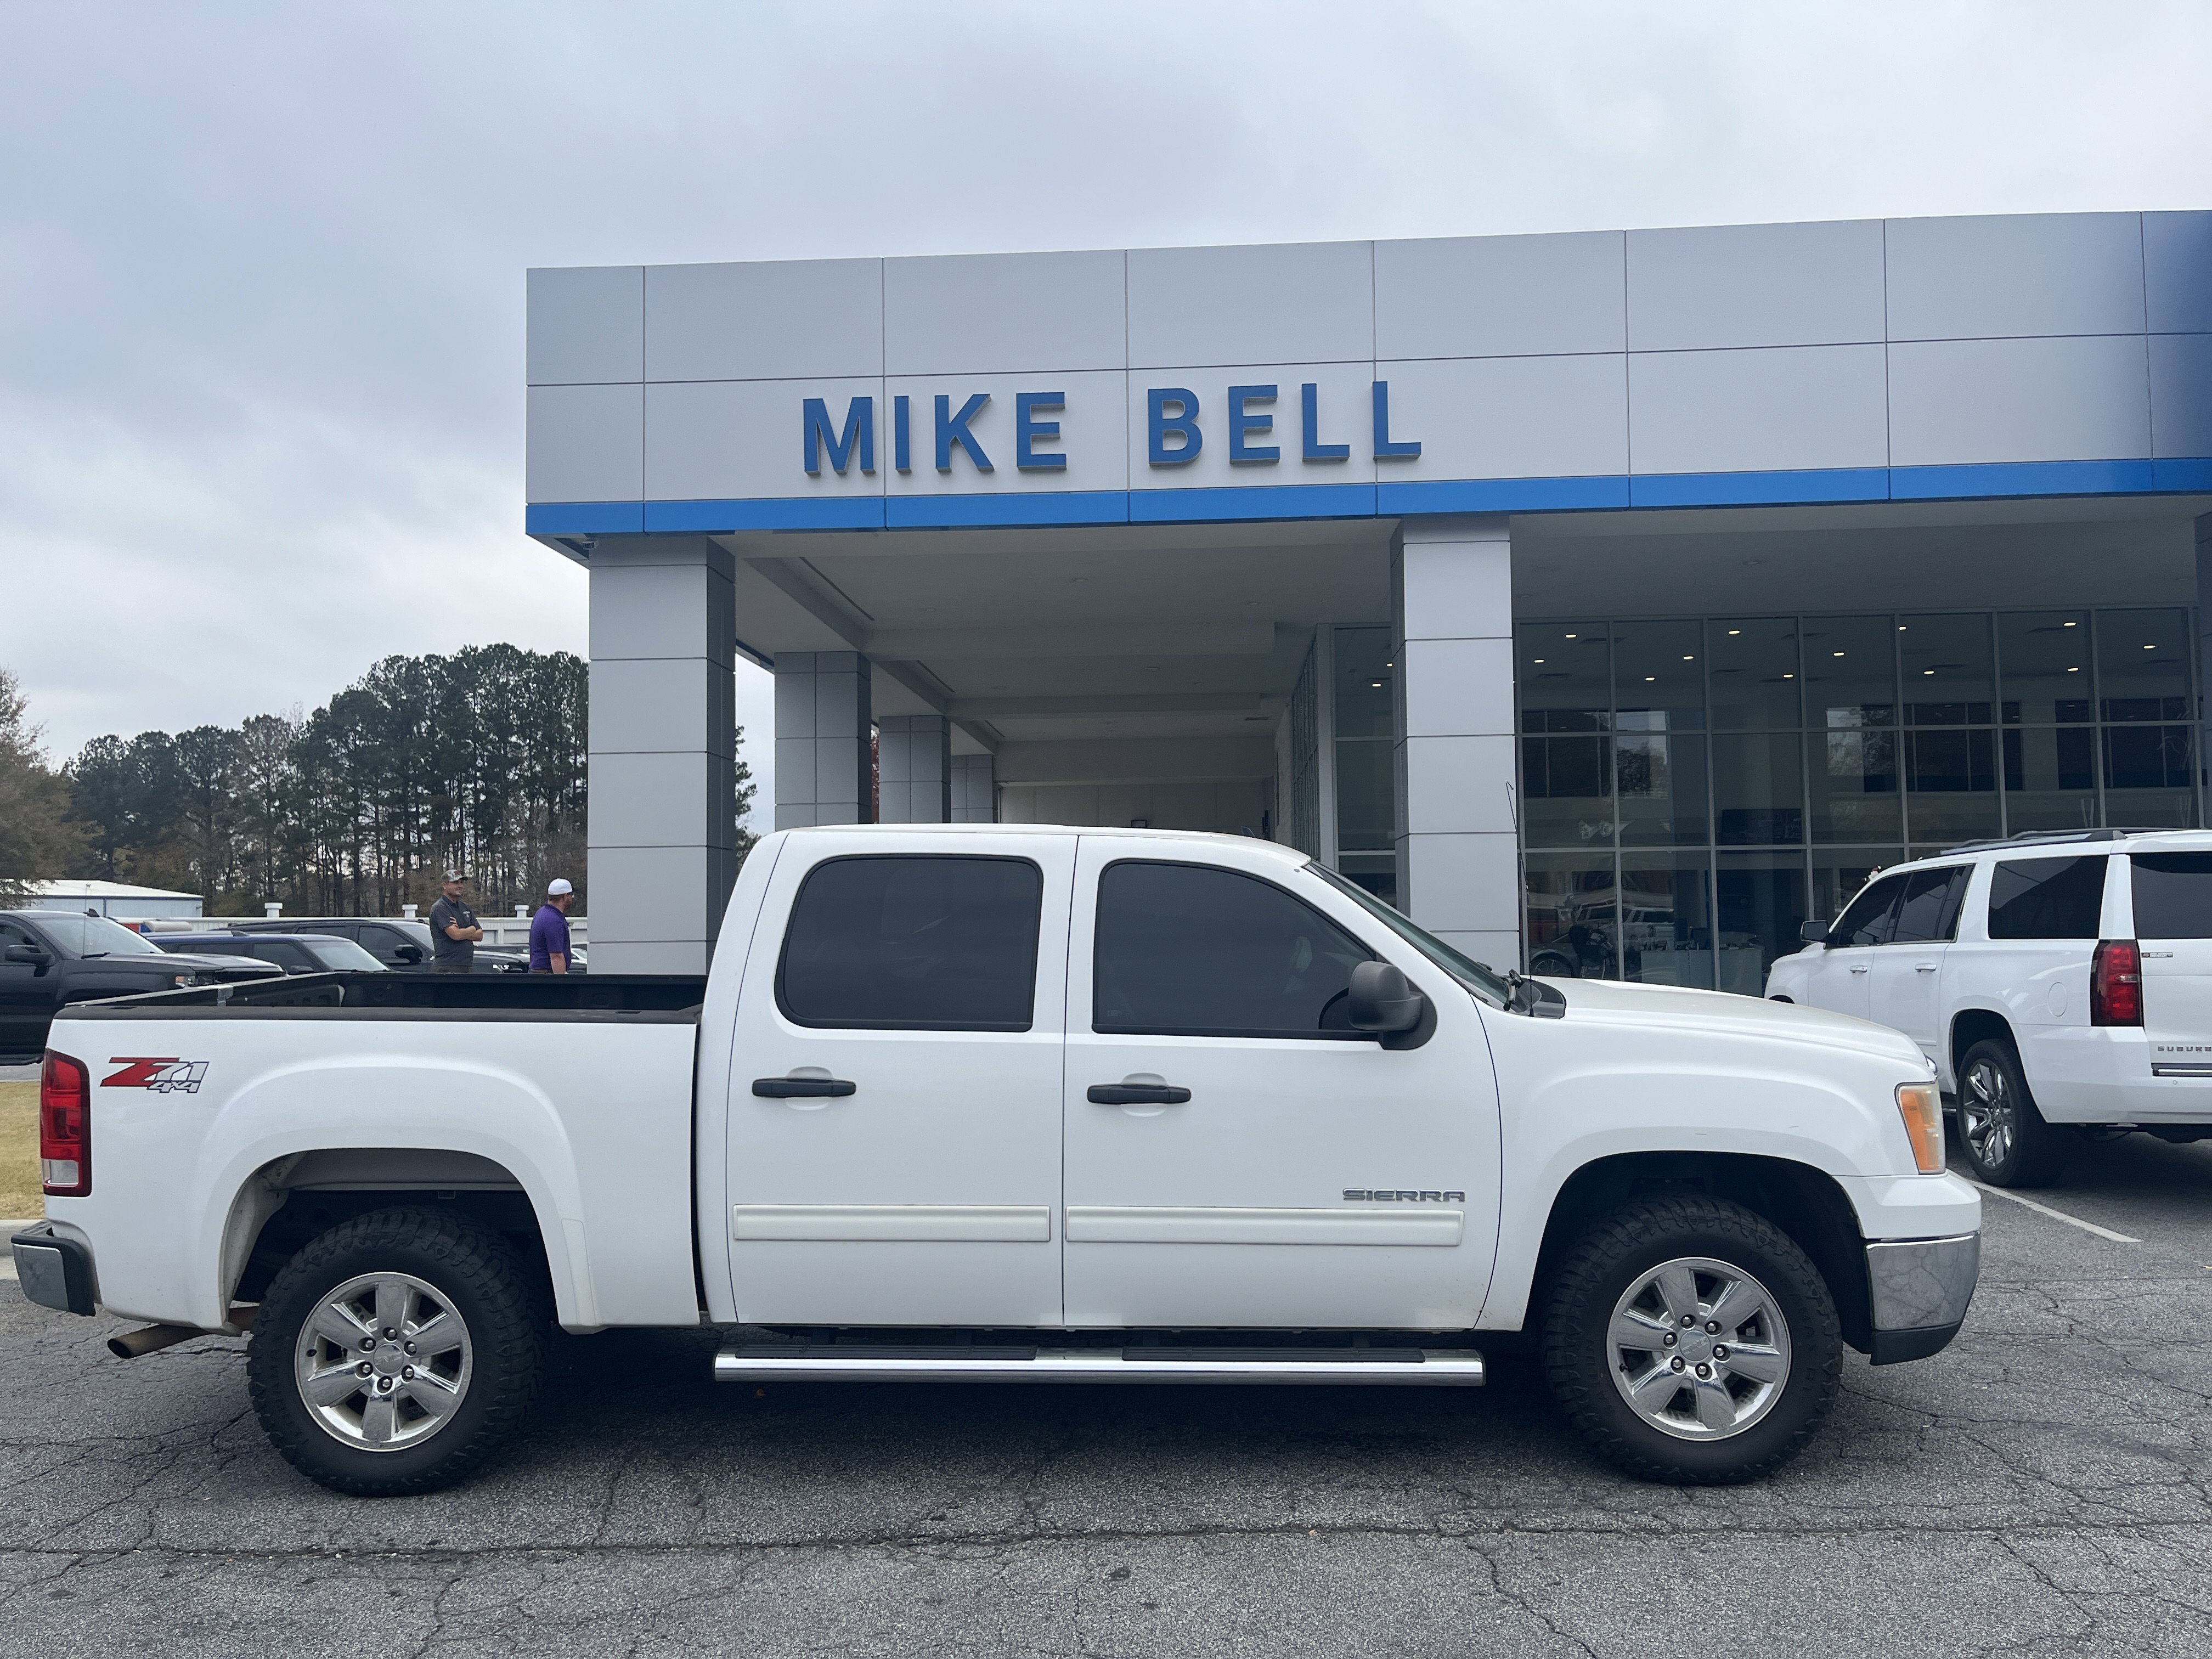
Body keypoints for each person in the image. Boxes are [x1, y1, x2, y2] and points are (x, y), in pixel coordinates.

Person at [427, 871, 482, 973]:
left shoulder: (465, 907)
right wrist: (472, 929)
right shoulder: (440, 908)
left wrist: (461, 931)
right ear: (445, 885)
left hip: (467, 966)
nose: (460, 886)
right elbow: (456, 935)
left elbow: (480, 936)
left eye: (461, 883)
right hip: (448, 967)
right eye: (456, 883)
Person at [529, 878, 575, 974]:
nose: (572, 898)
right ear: (565, 897)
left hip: (537, 974)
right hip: (547, 977)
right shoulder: (554, 921)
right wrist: (561, 984)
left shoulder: (542, 913)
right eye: (571, 895)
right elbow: (556, 958)